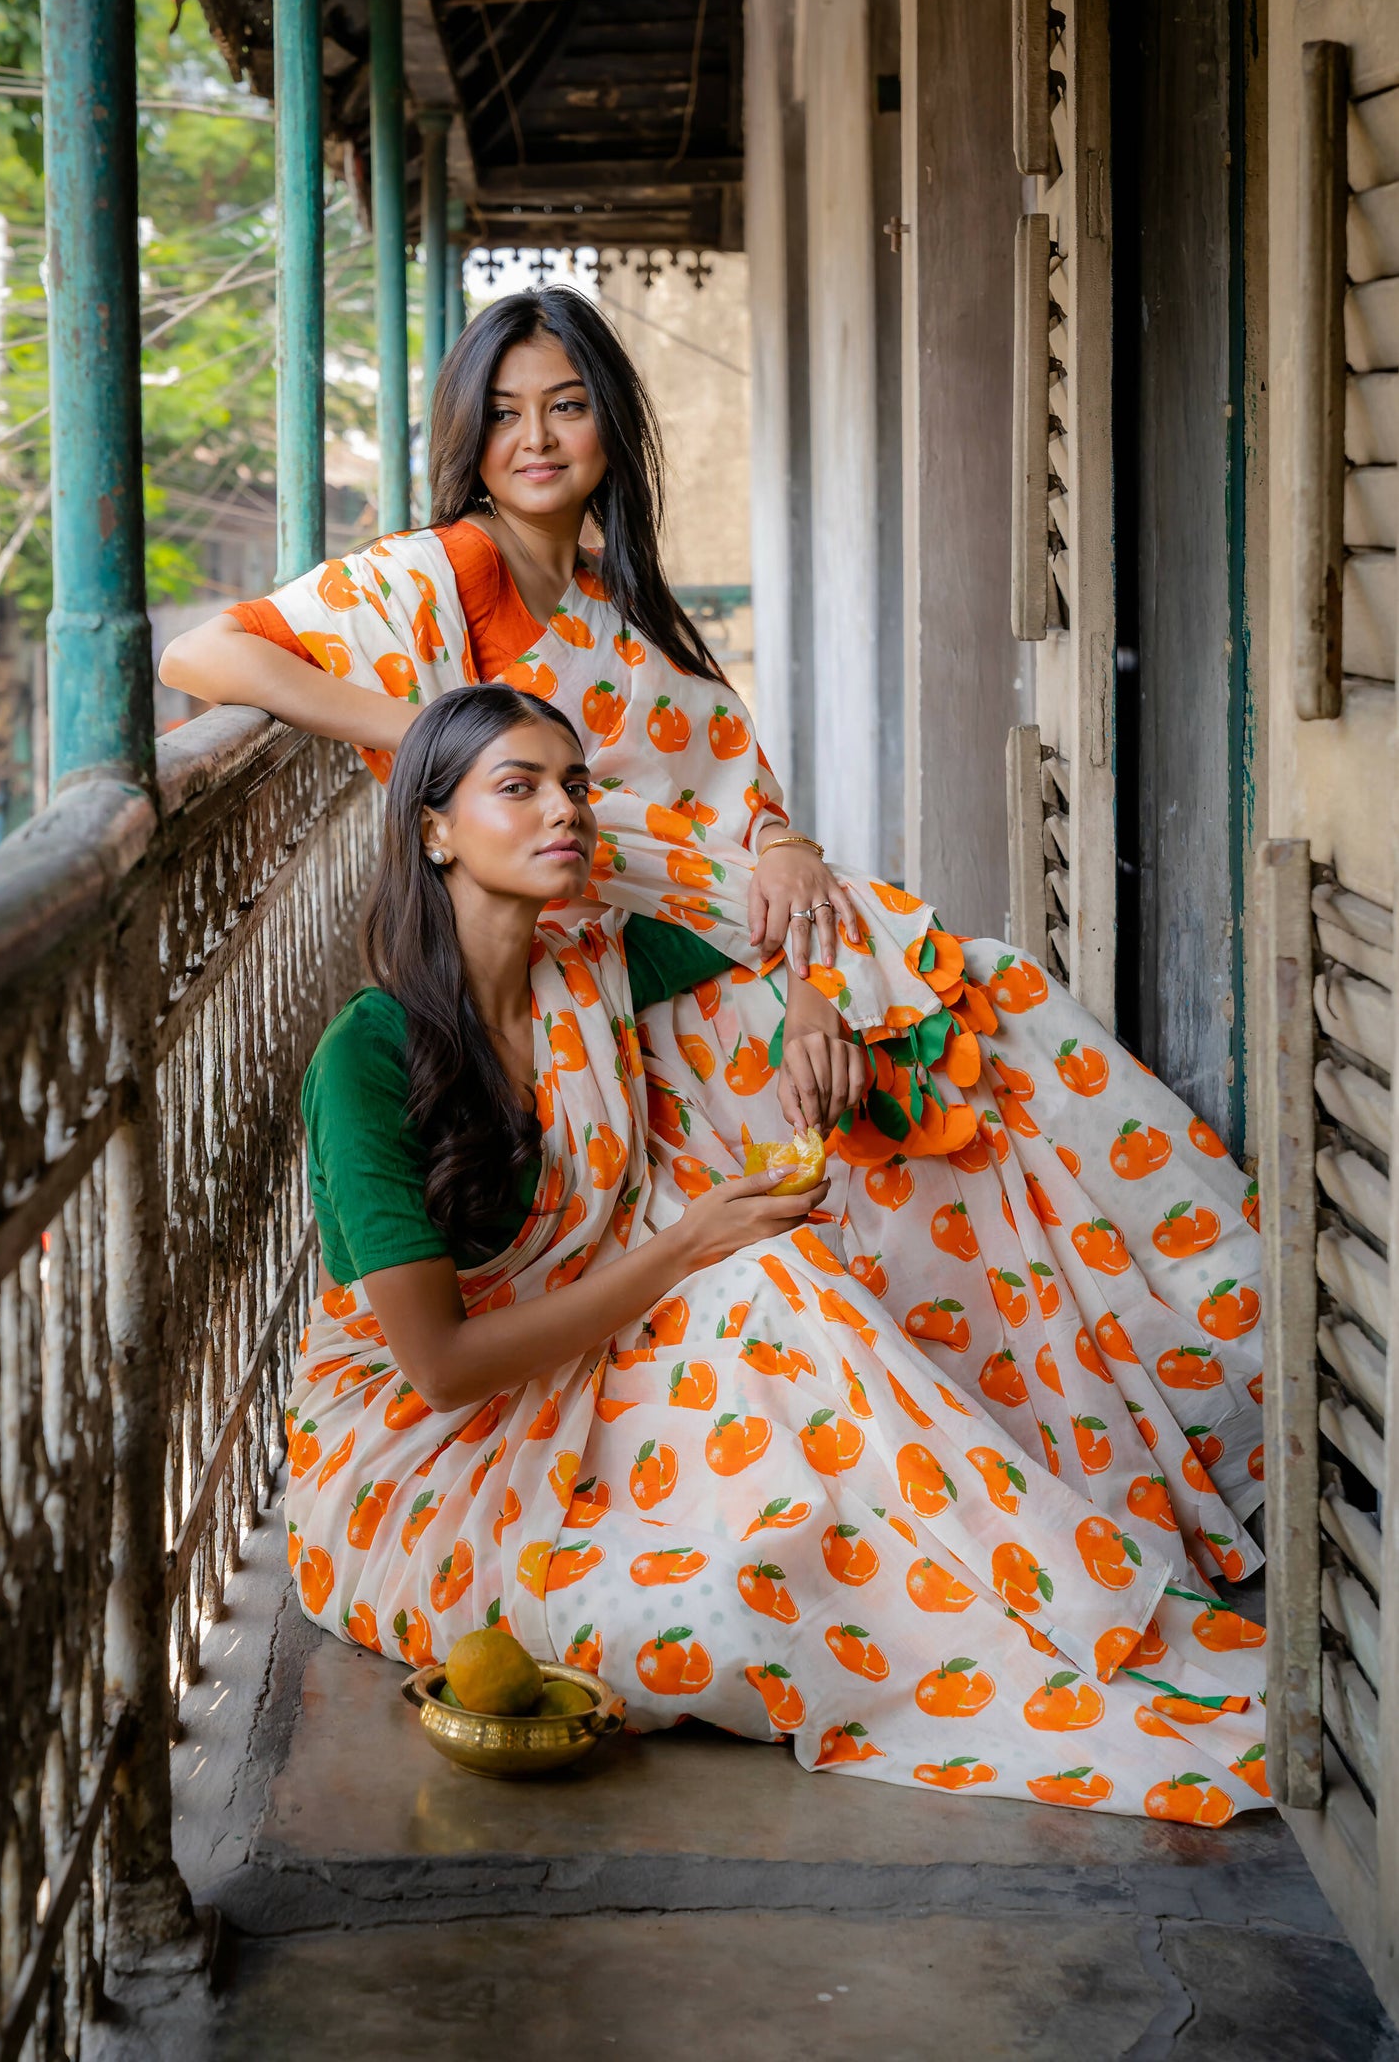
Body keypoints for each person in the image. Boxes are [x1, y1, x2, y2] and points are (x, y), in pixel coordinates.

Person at [162, 285, 1266, 1605]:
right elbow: (205, 656)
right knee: (868, 1205)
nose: (536, 438)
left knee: (994, 1077)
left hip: (706, 972)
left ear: (611, 431)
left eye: (566, 407)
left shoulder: (619, 609)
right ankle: (1070, 1494)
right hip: (624, 1012)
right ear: (467, 435)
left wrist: (794, 894)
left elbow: (735, 807)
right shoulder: (434, 577)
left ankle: (1179, 1418)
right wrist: (421, 730)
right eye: (505, 413)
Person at [287, 682, 1268, 1822]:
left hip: (585, 1373)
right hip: (419, 1459)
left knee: (785, 1277)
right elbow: (440, 1368)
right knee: (722, 1616)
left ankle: (1061, 1599)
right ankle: (1009, 1624)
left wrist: (811, 1013)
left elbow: (819, 927)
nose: (565, 811)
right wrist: (693, 1241)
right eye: (519, 788)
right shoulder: (366, 1059)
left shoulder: (589, 965)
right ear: (433, 828)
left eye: (574, 785)